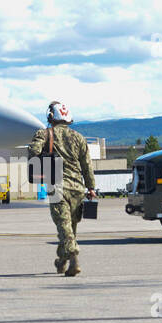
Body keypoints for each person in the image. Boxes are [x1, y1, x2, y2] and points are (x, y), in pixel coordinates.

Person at [29, 101, 96, 277]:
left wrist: (42, 162)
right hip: (77, 188)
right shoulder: (79, 138)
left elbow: (33, 150)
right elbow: (87, 165)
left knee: (64, 226)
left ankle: (74, 259)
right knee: (68, 228)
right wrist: (91, 187)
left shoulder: (45, 134)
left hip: (57, 186)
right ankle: (62, 262)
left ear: (51, 116)